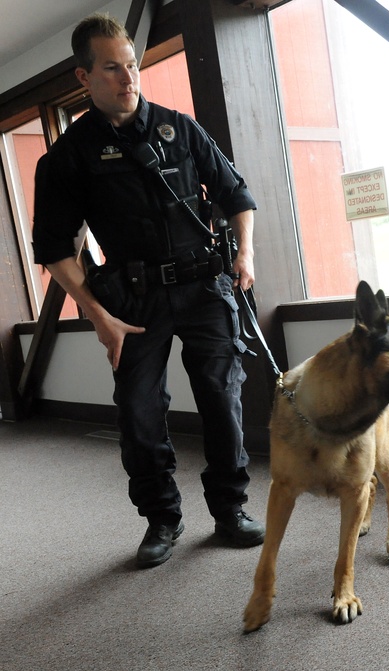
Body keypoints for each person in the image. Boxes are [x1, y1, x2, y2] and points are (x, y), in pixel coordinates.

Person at [31, 13, 265, 568]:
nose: (127, 78)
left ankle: (230, 508)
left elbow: (237, 195)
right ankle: (162, 518)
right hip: (132, 302)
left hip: (205, 288)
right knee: (139, 412)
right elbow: (54, 248)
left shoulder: (179, 128)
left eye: (131, 65)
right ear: (84, 77)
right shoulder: (67, 157)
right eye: (111, 68)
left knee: (223, 400)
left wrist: (246, 253)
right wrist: (96, 315)